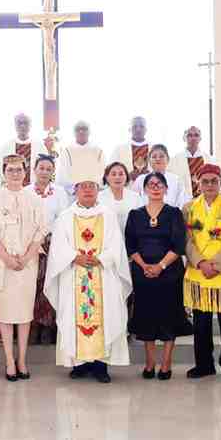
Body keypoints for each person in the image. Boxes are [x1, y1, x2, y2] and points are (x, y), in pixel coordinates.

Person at [44, 154, 131, 382]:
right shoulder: (65, 217)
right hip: (74, 273)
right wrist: (75, 257)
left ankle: (101, 365)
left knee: (106, 317)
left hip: (103, 273)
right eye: (83, 186)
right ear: (76, 190)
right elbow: (58, 247)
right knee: (74, 316)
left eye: (92, 186)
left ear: (98, 189)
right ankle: (79, 364)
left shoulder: (107, 215)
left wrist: (101, 258)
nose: (88, 190)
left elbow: (116, 245)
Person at [0, 155, 47, 381]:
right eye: (10, 170)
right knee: (6, 314)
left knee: (24, 314)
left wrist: (27, 257)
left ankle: (22, 360)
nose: (15, 173)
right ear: (4, 172)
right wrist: (7, 258)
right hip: (3, 264)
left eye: (19, 169)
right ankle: (9, 360)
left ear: (25, 172)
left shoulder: (34, 199)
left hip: (27, 264)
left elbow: (42, 230)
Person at [182, 163, 221, 382]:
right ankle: (204, 364)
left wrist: (217, 265)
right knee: (201, 323)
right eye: (205, 181)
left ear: (220, 182)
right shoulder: (189, 208)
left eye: (214, 181)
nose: (209, 185)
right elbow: (187, 240)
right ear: (198, 183)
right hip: (198, 272)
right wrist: (201, 263)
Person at [126, 172, 191, 379]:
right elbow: (130, 245)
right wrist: (145, 265)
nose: (155, 187)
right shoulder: (135, 214)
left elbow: (179, 245)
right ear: (144, 189)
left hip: (169, 273)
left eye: (159, 184)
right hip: (142, 272)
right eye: (151, 184)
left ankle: (166, 363)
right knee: (147, 316)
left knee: (168, 316)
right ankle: (150, 362)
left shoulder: (174, 213)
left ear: (166, 189)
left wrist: (160, 266)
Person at [30, 155, 70, 344]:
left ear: (53, 172)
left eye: (48, 169)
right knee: (32, 286)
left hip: (53, 244)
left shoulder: (60, 193)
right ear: (34, 170)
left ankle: (48, 327)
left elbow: (64, 219)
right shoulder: (26, 191)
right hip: (31, 245)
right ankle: (32, 326)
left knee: (51, 283)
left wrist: (53, 239)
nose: (44, 172)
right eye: (41, 168)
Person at [55, 121, 104, 195]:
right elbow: (62, 174)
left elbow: (102, 172)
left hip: (94, 193)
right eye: (78, 129)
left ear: (89, 132)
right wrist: (75, 190)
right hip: (73, 194)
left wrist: (94, 187)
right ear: (74, 133)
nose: (81, 131)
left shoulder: (98, 151)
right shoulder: (67, 151)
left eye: (84, 129)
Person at [0, 113, 48, 187]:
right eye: (19, 123)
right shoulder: (6, 147)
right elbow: (1, 171)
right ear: (15, 126)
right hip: (12, 188)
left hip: (35, 189)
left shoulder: (40, 146)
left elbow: (46, 168)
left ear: (30, 125)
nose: (22, 126)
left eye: (26, 123)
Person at [170, 126, 215, 201]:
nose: (193, 138)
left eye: (196, 135)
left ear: (200, 138)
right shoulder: (174, 161)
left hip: (205, 200)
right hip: (183, 201)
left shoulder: (210, 160)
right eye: (189, 135)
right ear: (184, 138)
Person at [102, 162, 142, 234]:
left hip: (131, 238)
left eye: (121, 174)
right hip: (107, 237)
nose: (117, 177)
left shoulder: (135, 197)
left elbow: (141, 220)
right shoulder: (99, 197)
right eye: (113, 174)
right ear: (107, 177)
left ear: (126, 177)